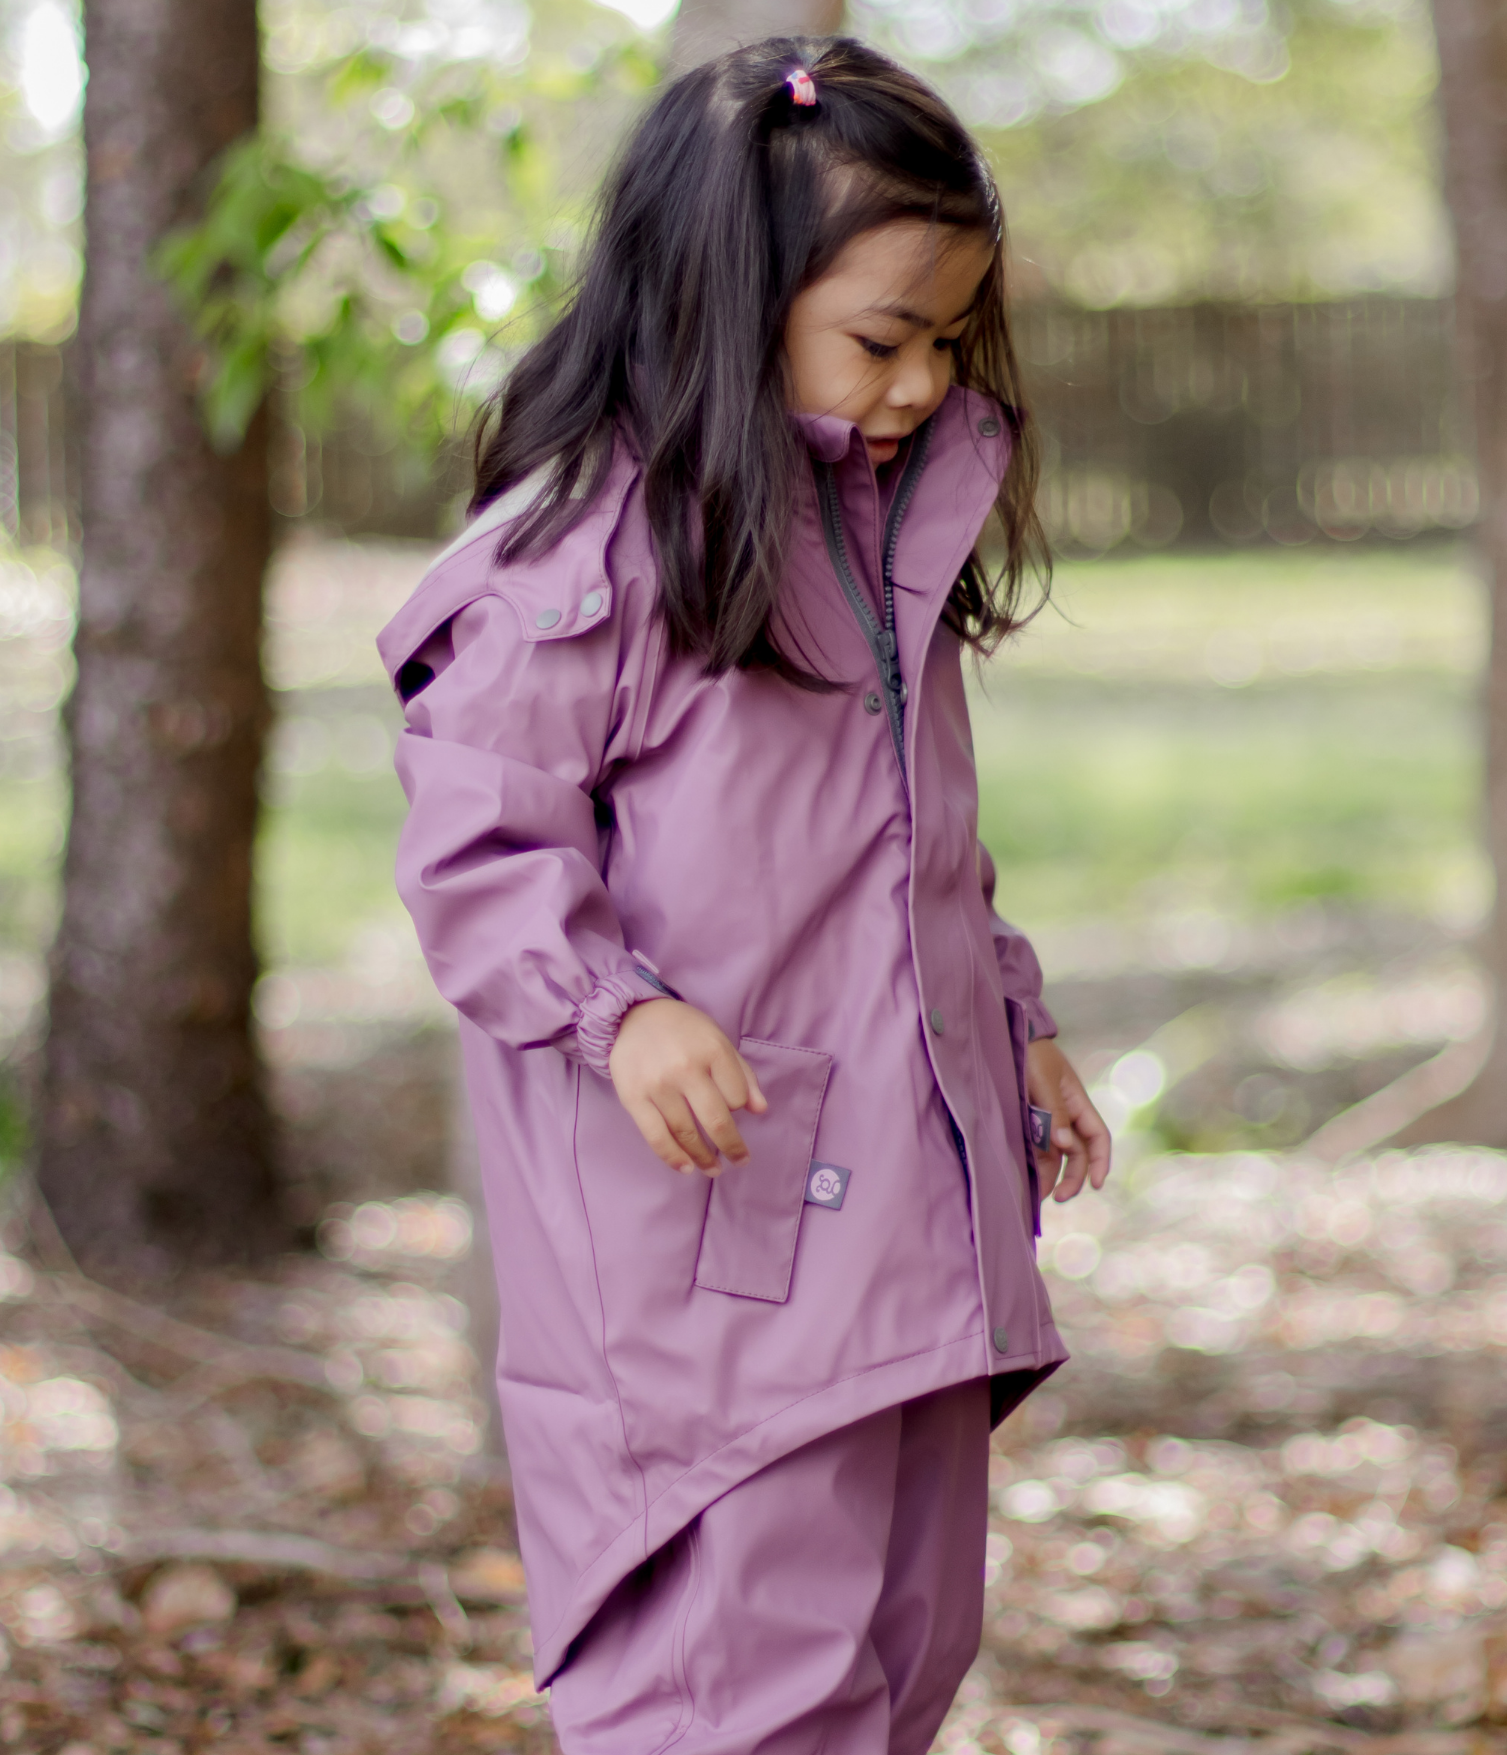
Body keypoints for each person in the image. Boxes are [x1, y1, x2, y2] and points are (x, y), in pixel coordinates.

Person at [378, 34, 1111, 1755]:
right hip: (712, 1253)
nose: (925, 379)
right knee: (731, 1688)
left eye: (949, 338)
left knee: (902, 1651)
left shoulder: (875, 539)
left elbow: (914, 839)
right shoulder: (589, 555)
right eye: (883, 336)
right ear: (733, 291)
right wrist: (612, 1008)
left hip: (909, 1225)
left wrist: (1017, 1023)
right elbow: (481, 841)